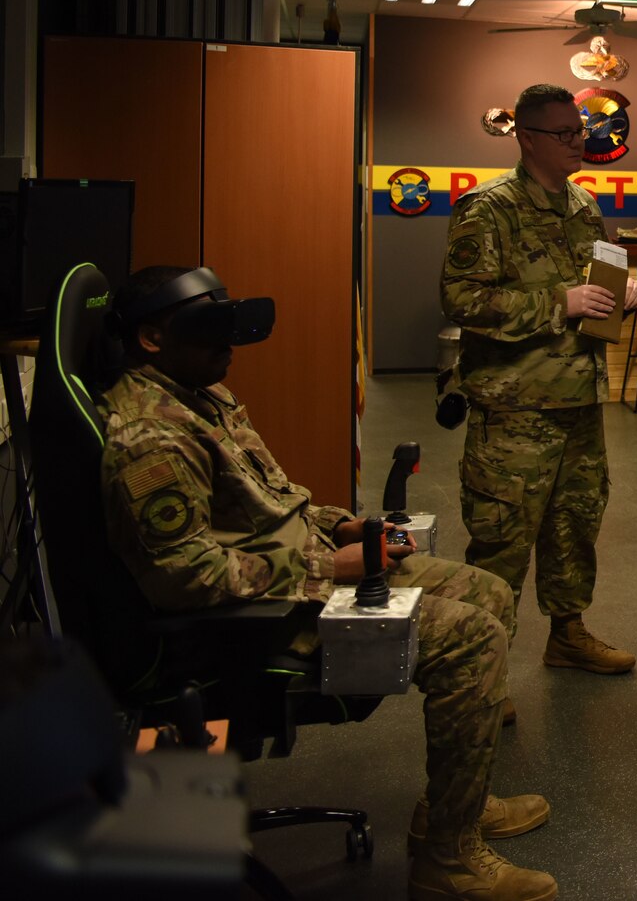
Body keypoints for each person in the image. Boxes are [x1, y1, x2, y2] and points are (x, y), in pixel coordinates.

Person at [100, 266, 556, 901]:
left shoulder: (198, 394)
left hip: (300, 568)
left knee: (488, 592)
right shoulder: (149, 437)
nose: (228, 348)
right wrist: (326, 569)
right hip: (265, 615)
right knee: (471, 639)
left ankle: (457, 804)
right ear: (152, 338)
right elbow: (186, 577)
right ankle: (447, 860)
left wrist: (342, 526)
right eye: (210, 333)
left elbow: (269, 501)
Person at [441, 82, 637, 678]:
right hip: (515, 410)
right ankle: (482, 672)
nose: (578, 141)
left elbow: (596, 279)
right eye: (563, 133)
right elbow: (462, 299)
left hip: (579, 399)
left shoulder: (583, 206)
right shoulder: (488, 207)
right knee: (501, 542)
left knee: (574, 526)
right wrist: (564, 301)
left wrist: (620, 291)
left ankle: (568, 633)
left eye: (579, 131)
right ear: (527, 139)